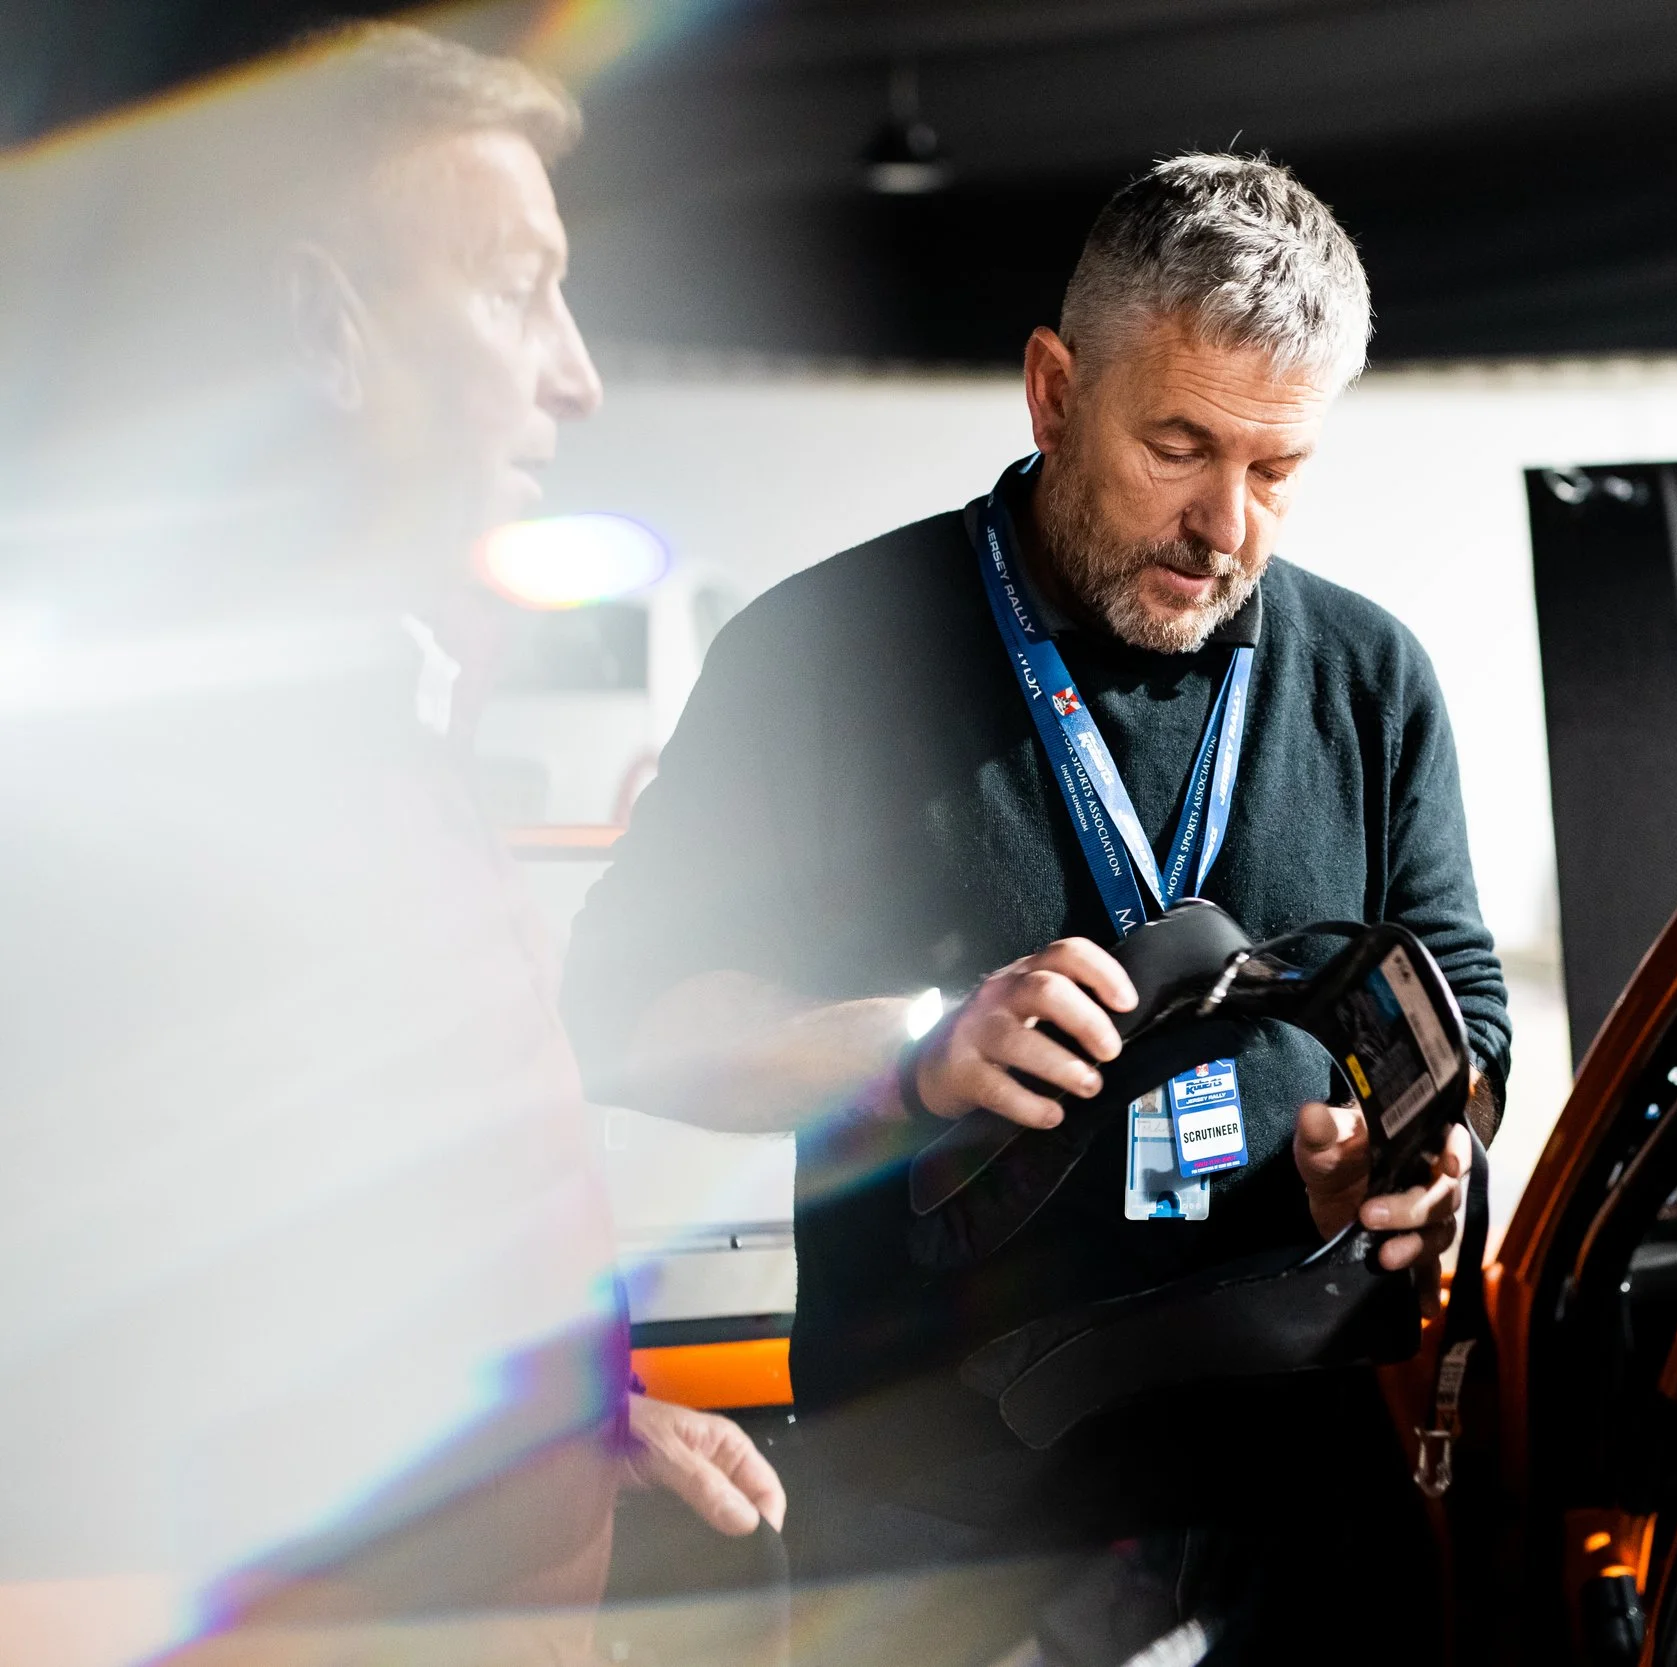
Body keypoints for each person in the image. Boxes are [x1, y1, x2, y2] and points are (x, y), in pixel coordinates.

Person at [561, 154, 1510, 1662]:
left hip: (1296, 1465)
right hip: (940, 1493)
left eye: (1276, 472)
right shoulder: (822, 655)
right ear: (1055, 392)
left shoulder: (1368, 675)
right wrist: (912, 1052)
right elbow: (621, 1018)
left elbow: (1468, 1007)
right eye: (1180, 447)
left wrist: (1400, 1149)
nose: (1226, 530)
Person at [0, 24, 778, 1664]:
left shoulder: (393, 719)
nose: (575, 369)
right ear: (323, 329)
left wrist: (587, 1411)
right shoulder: (137, 792)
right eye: (513, 287)